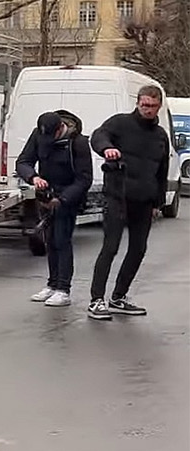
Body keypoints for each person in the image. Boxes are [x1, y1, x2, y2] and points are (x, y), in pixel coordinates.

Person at [86, 85, 171, 320]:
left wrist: (158, 202)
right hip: (118, 196)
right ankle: (96, 300)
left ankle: (119, 297)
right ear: (137, 102)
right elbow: (98, 136)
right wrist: (108, 148)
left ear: (159, 107)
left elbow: (161, 171)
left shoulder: (160, 135)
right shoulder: (120, 123)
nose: (148, 110)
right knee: (110, 247)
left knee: (138, 249)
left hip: (144, 201)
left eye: (153, 106)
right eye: (144, 105)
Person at [14, 110, 92, 307]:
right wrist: (33, 177)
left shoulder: (78, 142)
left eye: (52, 136)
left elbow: (84, 179)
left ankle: (63, 289)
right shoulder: (39, 135)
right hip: (46, 193)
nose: (47, 140)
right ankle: (52, 283)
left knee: (62, 240)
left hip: (67, 196)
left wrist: (64, 198)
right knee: (49, 240)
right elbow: (23, 161)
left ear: (60, 129)